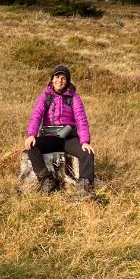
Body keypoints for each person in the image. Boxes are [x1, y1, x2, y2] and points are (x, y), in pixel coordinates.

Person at [23, 65, 97, 196]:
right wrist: (31, 134)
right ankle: (46, 180)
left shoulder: (73, 97)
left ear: (67, 81)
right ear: (52, 79)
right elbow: (36, 115)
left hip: (69, 138)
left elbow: (81, 119)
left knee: (87, 153)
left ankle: (84, 186)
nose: (60, 81)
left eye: (63, 78)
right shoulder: (45, 96)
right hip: (50, 137)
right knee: (32, 147)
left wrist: (85, 141)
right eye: (57, 77)